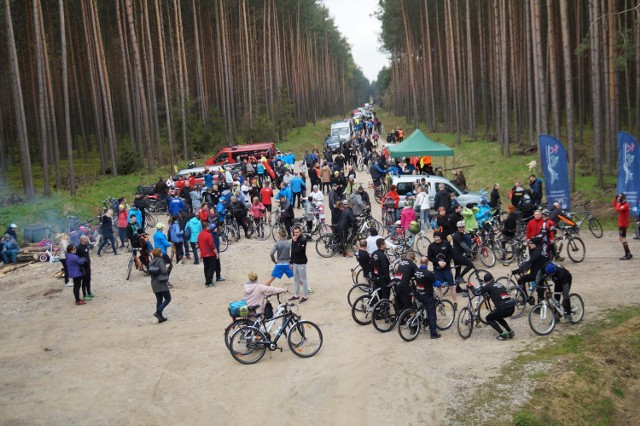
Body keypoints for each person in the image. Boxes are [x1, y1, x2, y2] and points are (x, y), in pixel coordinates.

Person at [473, 272, 515, 340]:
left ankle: (502, 334)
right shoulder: (500, 284)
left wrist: (470, 286)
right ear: (492, 279)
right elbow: (503, 295)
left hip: (503, 308)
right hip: (511, 307)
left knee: (489, 318)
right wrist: (497, 305)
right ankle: (510, 332)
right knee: (497, 316)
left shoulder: (488, 286)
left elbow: (476, 293)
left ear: (486, 282)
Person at [414, 256, 442, 339]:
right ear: (427, 263)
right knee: (431, 314)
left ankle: (417, 326)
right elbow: (436, 283)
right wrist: (441, 284)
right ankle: (433, 334)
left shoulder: (416, 271)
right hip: (427, 295)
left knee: (419, 310)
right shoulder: (429, 273)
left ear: (420, 263)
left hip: (418, 294)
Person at [427, 231, 457, 308]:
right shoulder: (431, 246)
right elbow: (430, 257)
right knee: (439, 287)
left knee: (451, 286)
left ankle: (455, 303)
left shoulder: (446, 243)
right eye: (435, 237)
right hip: (437, 270)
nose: (436, 239)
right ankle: (441, 303)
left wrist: (446, 262)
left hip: (446, 269)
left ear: (440, 237)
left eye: (437, 237)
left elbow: (451, 254)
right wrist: (438, 262)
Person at [149, 248, 171, 323]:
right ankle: (158, 312)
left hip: (154, 283)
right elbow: (163, 271)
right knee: (168, 298)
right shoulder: (160, 260)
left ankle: (160, 317)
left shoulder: (151, 261)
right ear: (159, 253)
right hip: (161, 282)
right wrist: (167, 267)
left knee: (159, 299)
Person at [290, 226, 310, 302]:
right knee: (296, 279)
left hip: (301, 263)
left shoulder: (303, 240)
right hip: (295, 263)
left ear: (300, 232)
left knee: (303, 280)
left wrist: (294, 242)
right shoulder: (294, 239)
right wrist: (291, 262)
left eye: (297, 232)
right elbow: (292, 251)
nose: (296, 234)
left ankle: (305, 296)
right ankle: (296, 295)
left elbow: (298, 251)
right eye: (294, 232)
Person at [198, 222, 219, 287]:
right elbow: (211, 245)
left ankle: (207, 280)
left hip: (204, 253)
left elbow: (199, 244)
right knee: (211, 268)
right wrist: (216, 253)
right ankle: (209, 282)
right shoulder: (208, 235)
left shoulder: (200, 235)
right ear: (206, 227)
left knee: (206, 268)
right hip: (210, 253)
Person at [613, 193, 633, 260]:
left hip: (623, 225)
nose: (619, 201)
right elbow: (614, 205)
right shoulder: (622, 204)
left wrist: (618, 202)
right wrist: (616, 199)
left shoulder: (625, 205)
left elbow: (617, 209)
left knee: (623, 239)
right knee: (621, 239)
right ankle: (629, 253)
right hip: (621, 224)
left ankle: (627, 255)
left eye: (620, 199)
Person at [76, 236, 94, 300]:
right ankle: (84, 294)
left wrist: (92, 246)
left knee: (88, 279)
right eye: (86, 239)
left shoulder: (86, 245)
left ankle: (89, 292)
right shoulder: (78, 247)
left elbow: (90, 248)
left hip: (88, 264)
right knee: (84, 280)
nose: (87, 239)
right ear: (82, 240)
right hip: (82, 266)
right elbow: (76, 257)